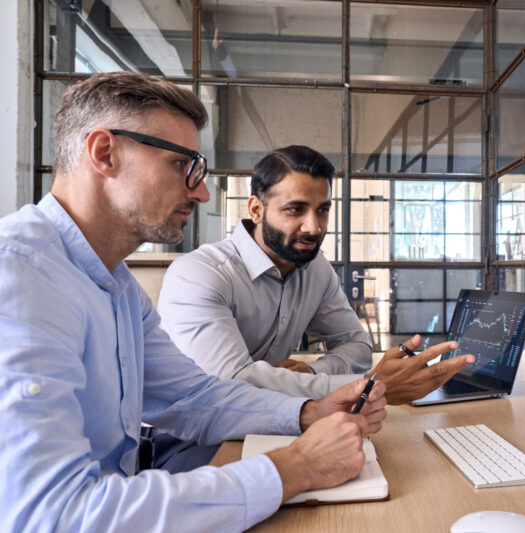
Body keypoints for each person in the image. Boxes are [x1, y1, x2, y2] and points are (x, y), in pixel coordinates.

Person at [0, 72, 387, 532]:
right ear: (105, 153)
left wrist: (307, 412)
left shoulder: (116, 285)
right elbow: (54, 515)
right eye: (182, 166)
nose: (201, 192)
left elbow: (192, 396)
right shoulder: (20, 276)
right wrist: (295, 468)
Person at [158, 146, 476, 403]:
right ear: (255, 209)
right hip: (185, 437)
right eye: (295, 210)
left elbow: (356, 345)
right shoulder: (199, 274)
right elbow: (231, 384)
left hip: (270, 419)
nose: (314, 227)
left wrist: (313, 374)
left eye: (322, 210)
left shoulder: (316, 268)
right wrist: (367, 385)